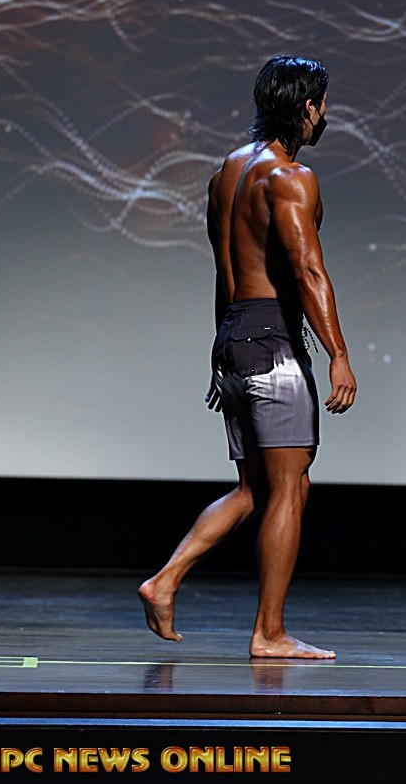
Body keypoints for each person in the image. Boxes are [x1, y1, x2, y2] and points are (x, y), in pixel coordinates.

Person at [139, 55, 357, 659]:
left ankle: (165, 580)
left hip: (236, 336)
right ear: (307, 107)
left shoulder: (227, 174)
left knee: (256, 488)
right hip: (273, 341)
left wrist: (224, 350)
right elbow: (308, 270)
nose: (324, 116)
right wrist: (338, 354)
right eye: (322, 105)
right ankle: (269, 633)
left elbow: (224, 271)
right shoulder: (291, 177)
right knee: (290, 488)